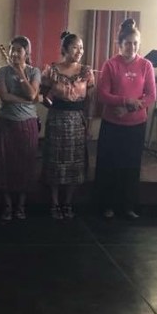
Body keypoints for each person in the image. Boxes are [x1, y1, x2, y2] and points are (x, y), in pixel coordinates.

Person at [95, 19, 156, 219]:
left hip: (136, 125)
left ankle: (128, 206)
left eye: (135, 43)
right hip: (112, 125)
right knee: (110, 165)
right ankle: (106, 205)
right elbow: (102, 95)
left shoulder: (146, 65)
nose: (132, 47)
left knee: (131, 166)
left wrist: (129, 108)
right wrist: (124, 100)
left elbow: (151, 96)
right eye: (128, 43)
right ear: (119, 44)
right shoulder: (110, 65)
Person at [41, 32, 95, 220]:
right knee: (55, 161)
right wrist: (48, 100)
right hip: (57, 118)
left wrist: (89, 123)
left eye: (81, 47)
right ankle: (55, 202)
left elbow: (90, 101)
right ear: (64, 49)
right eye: (75, 47)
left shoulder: (86, 72)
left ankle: (68, 202)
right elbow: (43, 97)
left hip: (77, 120)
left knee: (75, 163)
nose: (79, 51)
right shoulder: (51, 70)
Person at [0, 37, 40, 221]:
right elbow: (4, 97)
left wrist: (20, 73)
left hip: (27, 124)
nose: (15, 53)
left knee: (25, 164)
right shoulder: (2, 71)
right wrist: (27, 101)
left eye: (19, 50)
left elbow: (32, 93)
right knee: (4, 164)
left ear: (27, 53)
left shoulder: (34, 71)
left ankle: (21, 206)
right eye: (12, 49)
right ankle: (8, 205)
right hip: (6, 122)